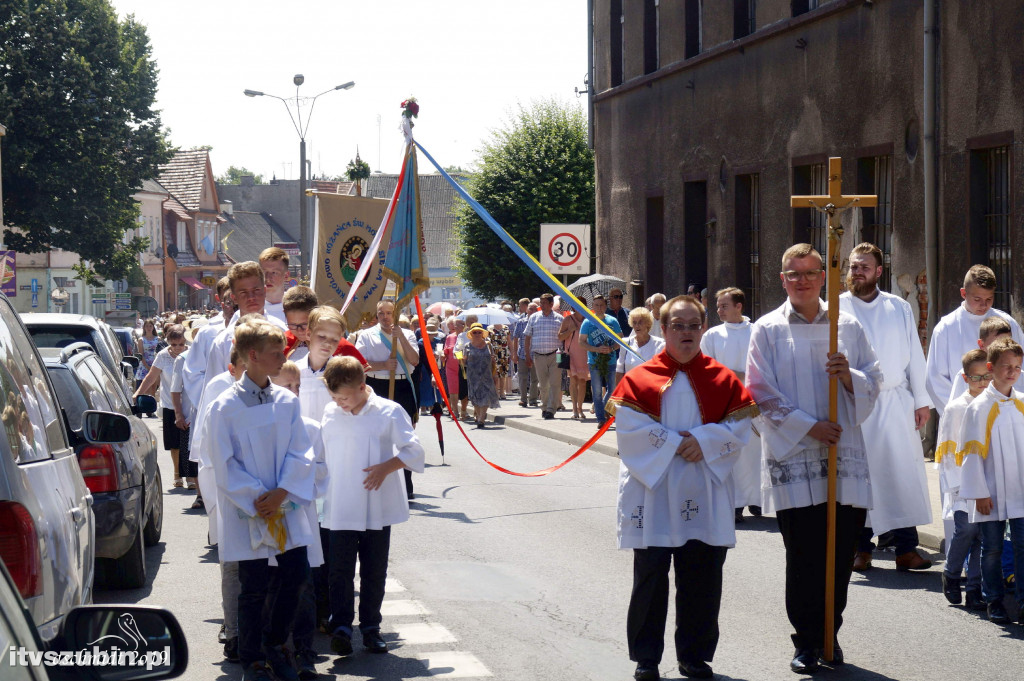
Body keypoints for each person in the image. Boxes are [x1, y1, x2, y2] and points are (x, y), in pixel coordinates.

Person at [745, 243, 881, 673]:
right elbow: (760, 393)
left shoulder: (848, 325)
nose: (801, 280)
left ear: (824, 276)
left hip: (843, 456)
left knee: (839, 556)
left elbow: (875, 380)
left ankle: (830, 635)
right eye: (793, 273)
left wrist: (850, 377)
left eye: (809, 272)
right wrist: (809, 427)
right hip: (796, 456)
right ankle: (805, 640)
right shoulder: (766, 329)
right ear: (781, 279)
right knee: (803, 555)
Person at [609, 295, 756, 681]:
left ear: (703, 329)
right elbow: (628, 431)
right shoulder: (640, 377)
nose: (687, 333)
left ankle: (694, 656)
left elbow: (741, 429)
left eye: (694, 325)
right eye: (679, 325)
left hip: (702, 488)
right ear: (664, 329)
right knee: (651, 577)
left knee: (702, 578)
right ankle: (646, 657)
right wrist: (678, 443)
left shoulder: (723, 379)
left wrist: (704, 441)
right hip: (653, 490)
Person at [207, 319, 316, 681]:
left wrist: (283, 491)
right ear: (252, 356)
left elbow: (302, 451)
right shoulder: (223, 407)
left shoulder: (286, 401)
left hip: (284, 506)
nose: (283, 356)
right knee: (252, 586)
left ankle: (275, 643)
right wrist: (257, 499)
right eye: (275, 353)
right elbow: (223, 463)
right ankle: (252, 655)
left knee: (295, 575)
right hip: (250, 510)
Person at [321, 356, 425, 657]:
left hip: (375, 504)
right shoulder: (330, 412)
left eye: (344, 397)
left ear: (362, 386)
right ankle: (340, 626)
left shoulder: (389, 412)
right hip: (340, 501)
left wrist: (386, 467)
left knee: (373, 569)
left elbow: (414, 450)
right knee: (338, 569)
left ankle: (370, 628)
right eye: (335, 397)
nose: (340, 403)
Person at [839, 243, 934, 572]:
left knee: (899, 475)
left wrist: (921, 401)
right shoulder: (835, 308)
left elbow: (914, 354)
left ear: (879, 271)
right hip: (854, 404)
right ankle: (860, 550)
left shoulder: (898, 307)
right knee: (861, 479)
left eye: (864, 266)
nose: (857, 271)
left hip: (894, 402)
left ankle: (905, 549)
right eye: (853, 266)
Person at [959, 337, 1024, 625]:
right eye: (1006, 366)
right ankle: (994, 599)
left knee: (1022, 546)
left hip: (1020, 490)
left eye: (1017, 367)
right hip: (991, 492)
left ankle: (1022, 600)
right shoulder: (979, 407)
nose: (1012, 372)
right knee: (993, 548)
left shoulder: (1022, 403)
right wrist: (979, 492)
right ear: (991, 367)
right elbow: (972, 455)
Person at [271, 361, 329, 680]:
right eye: (286, 386)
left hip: (301, 518)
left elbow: (323, 473)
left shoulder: (311, 427)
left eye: (297, 387)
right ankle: (275, 651)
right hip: (267, 519)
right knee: (271, 587)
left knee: (303, 587)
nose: (294, 392)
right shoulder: (260, 425)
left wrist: (297, 478)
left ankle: (306, 652)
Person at [926, 264, 1023, 416]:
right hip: (964, 413)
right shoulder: (946, 328)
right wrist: (962, 412)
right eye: (977, 299)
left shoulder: (1008, 324)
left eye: (989, 299)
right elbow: (935, 379)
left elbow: (1019, 366)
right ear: (964, 293)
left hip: (1005, 410)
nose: (983, 305)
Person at [700, 287, 761, 522]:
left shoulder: (756, 332)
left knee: (754, 454)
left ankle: (756, 499)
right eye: (717, 306)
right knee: (731, 453)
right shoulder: (712, 336)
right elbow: (706, 368)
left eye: (724, 305)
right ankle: (734, 504)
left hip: (753, 401)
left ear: (739, 306)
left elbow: (764, 366)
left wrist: (744, 376)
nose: (718, 310)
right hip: (725, 403)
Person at [935, 349, 988, 611]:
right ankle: (952, 574)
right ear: (966, 378)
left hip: (990, 483)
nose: (984, 382)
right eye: (977, 378)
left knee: (983, 536)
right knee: (966, 529)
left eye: (988, 376)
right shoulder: (957, 408)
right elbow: (947, 452)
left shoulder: (994, 403)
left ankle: (976, 587)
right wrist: (960, 488)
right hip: (963, 486)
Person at [355, 299, 419, 499]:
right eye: (381, 313)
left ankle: (406, 486)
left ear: (396, 315)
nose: (385, 316)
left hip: (402, 386)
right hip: (379, 385)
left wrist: (401, 339)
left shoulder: (407, 334)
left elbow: (415, 360)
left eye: (389, 313)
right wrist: (383, 364)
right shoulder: (366, 335)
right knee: (377, 435)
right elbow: (359, 362)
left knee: (404, 435)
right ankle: (377, 481)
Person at [133, 324, 188, 487]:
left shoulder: (192, 354)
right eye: (174, 345)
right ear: (168, 342)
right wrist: (138, 393)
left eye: (181, 344)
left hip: (190, 404)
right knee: (174, 443)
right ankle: (177, 473)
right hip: (170, 403)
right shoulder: (163, 356)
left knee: (189, 442)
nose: (178, 348)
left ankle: (190, 476)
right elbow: (151, 378)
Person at [181, 277, 235, 411]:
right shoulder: (207, 333)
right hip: (212, 405)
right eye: (229, 303)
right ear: (222, 304)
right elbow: (193, 373)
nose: (233, 308)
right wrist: (211, 401)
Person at [579, 294, 623, 428]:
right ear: (592, 306)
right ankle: (600, 418)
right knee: (597, 390)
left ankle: (603, 409)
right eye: (596, 305)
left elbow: (620, 339)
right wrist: (596, 349)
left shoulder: (612, 321)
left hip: (611, 360)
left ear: (605, 306)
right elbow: (581, 342)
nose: (599, 308)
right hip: (594, 361)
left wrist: (611, 348)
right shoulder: (587, 322)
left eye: (602, 305)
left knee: (612, 389)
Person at [524, 293, 564, 420]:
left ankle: (551, 410)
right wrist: (527, 355)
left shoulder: (559, 318)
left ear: (551, 304)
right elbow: (527, 337)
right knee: (543, 384)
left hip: (555, 355)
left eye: (544, 303)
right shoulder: (534, 318)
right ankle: (545, 406)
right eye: (541, 303)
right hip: (538, 355)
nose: (542, 305)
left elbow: (563, 338)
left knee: (555, 383)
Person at [558, 297, 590, 420]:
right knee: (573, 381)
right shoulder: (568, 320)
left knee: (582, 382)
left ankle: (580, 409)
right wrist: (570, 330)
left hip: (584, 354)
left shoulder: (588, 320)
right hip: (570, 354)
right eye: (577, 305)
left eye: (582, 305)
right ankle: (574, 409)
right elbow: (560, 337)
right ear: (573, 307)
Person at [615, 307, 665, 383]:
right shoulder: (625, 343)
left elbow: (662, 371)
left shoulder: (659, 344)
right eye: (634, 322)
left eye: (640, 322)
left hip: (650, 389)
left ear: (648, 324)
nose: (637, 326)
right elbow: (620, 369)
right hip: (630, 389)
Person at [464, 323, 500, 427]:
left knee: (486, 396)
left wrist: (495, 374)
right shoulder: (467, 346)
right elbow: (463, 363)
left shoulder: (488, 345)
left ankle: (481, 418)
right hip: (473, 376)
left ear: (483, 334)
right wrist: (461, 359)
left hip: (486, 374)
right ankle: (479, 414)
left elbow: (493, 361)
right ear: (471, 333)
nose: (477, 334)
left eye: (479, 332)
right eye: (474, 332)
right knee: (475, 397)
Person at [512, 302, 540, 407]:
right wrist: (514, 354)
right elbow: (515, 338)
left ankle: (533, 399)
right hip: (522, 354)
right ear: (527, 310)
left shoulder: (539, 321)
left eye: (534, 309)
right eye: (530, 309)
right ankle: (523, 399)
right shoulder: (521, 322)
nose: (532, 311)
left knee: (535, 379)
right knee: (522, 377)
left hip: (536, 354)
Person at [282, 286, 320, 362]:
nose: (299, 331)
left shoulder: (334, 344)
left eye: (304, 324)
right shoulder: (280, 343)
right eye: (293, 325)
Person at [443, 318, 469, 420]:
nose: (457, 327)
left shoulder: (467, 336)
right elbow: (445, 351)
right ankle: (455, 411)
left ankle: (464, 409)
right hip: (451, 367)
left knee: (464, 389)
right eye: (455, 325)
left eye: (460, 324)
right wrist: (441, 355)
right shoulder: (450, 337)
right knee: (453, 389)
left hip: (463, 366)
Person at [259, 247, 290, 324]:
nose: (268, 278)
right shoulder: (250, 308)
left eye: (274, 273)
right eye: (264, 272)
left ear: (286, 275)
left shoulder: (298, 308)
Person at [135, 319, 161, 405]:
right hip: (144, 365)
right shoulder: (141, 340)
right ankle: (142, 405)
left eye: (150, 326)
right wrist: (147, 367)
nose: (149, 328)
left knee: (153, 387)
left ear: (153, 327)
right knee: (144, 387)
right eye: (147, 326)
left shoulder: (158, 339)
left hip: (156, 364)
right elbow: (141, 354)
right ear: (144, 328)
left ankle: (151, 407)